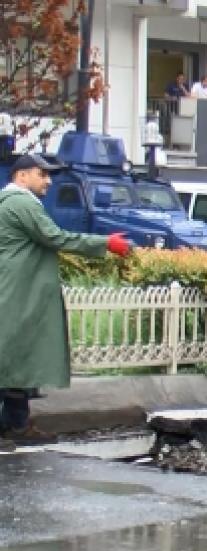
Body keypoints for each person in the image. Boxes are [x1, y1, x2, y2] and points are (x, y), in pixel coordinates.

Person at [0, 154, 133, 451]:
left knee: (13, 360)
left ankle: (15, 423)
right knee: (14, 361)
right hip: (19, 293)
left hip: (13, 289)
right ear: (21, 176)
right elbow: (55, 237)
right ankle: (16, 425)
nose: (48, 181)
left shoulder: (8, 202)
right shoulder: (21, 204)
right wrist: (105, 243)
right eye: (42, 174)